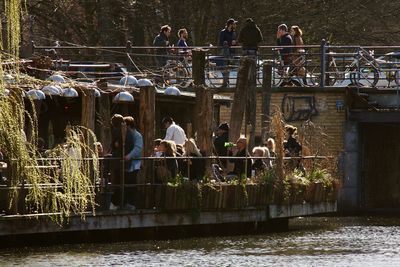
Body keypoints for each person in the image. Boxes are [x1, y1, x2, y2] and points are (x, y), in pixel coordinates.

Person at [123, 116, 143, 209]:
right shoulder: (126, 135)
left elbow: (138, 149)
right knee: (125, 183)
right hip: (127, 164)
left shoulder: (137, 135)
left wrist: (129, 156)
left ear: (129, 125)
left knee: (131, 183)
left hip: (134, 164)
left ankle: (131, 203)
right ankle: (125, 202)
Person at [218, 18, 238, 87]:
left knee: (229, 67)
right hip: (225, 52)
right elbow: (221, 43)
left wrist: (235, 43)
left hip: (232, 52)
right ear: (230, 25)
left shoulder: (233, 33)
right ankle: (225, 82)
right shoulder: (223, 32)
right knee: (224, 66)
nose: (235, 25)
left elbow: (234, 42)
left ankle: (227, 81)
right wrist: (229, 43)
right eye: (234, 24)